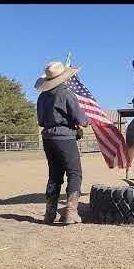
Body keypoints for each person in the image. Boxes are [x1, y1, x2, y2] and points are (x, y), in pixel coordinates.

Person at [35, 61, 89, 224]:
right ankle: (71, 213)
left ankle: (49, 214)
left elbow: (41, 120)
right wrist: (84, 122)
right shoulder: (66, 94)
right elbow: (81, 119)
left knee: (54, 176)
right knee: (74, 173)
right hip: (64, 138)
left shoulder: (42, 97)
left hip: (48, 138)